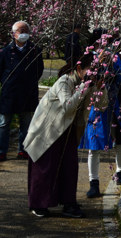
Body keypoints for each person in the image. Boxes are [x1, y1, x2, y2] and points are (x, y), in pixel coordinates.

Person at [24, 52, 106, 218]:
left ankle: (69, 203)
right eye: (90, 70)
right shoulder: (65, 81)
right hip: (47, 131)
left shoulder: (86, 84)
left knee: (69, 167)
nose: (93, 74)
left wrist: (100, 88)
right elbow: (68, 106)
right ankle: (38, 204)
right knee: (45, 167)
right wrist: (85, 86)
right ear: (79, 68)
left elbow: (101, 106)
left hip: (67, 130)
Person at [81, 49, 121, 199]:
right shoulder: (90, 57)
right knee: (95, 145)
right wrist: (97, 64)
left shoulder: (115, 58)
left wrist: (112, 64)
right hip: (97, 107)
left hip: (113, 105)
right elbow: (85, 77)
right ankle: (94, 182)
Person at [0, 21, 45, 162]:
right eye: (20, 30)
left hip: (28, 91)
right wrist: (8, 83)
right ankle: (1, 151)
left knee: (26, 123)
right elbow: (0, 70)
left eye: (26, 30)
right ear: (14, 33)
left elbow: (39, 70)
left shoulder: (35, 51)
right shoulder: (6, 51)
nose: (23, 33)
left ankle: (23, 150)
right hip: (9, 92)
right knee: (4, 123)